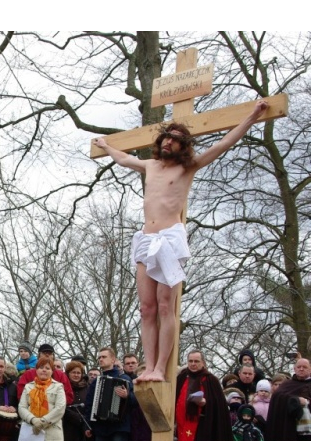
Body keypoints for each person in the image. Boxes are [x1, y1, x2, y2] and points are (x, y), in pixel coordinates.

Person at [94, 100, 269, 382]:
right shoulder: (150, 165)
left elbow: (222, 145)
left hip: (170, 239)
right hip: (145, 238)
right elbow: (124, 159)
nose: (168, 143)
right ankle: (149, 366)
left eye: (176, 140)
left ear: (182, 146)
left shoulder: (187, 168)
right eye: (167, 138)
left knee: (165, 305)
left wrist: (251, 118)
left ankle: (161, 368)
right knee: (146, 308)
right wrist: (105, 145)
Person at [172, 350, 233, 441]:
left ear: (203, 363)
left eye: (196, 361)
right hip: (181, 426)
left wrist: (206, 403)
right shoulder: (181, 377)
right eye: (190, 361)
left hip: (203, 426)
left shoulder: (210, 380)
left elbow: (219, 405)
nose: (193, 364)